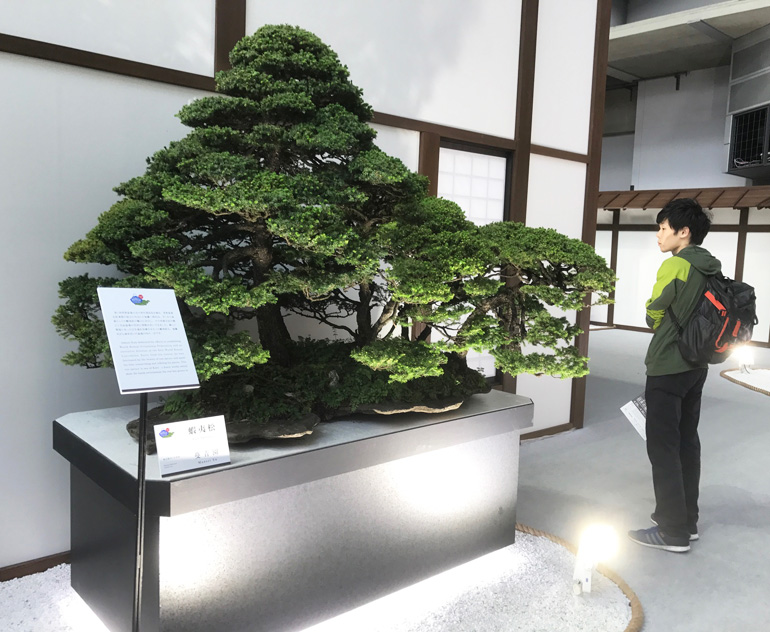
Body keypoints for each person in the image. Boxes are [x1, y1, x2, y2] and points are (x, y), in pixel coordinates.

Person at [627, 198, 721, 553]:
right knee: (686, 442)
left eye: (663, 228)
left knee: (663, 448)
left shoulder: (676, 266)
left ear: (684, 232)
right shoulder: (711, 266)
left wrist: (659, 322)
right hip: (697, 365)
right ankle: (687, 521)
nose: (659, 235)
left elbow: (653, 311)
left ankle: (672, 532)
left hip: (668, 365)